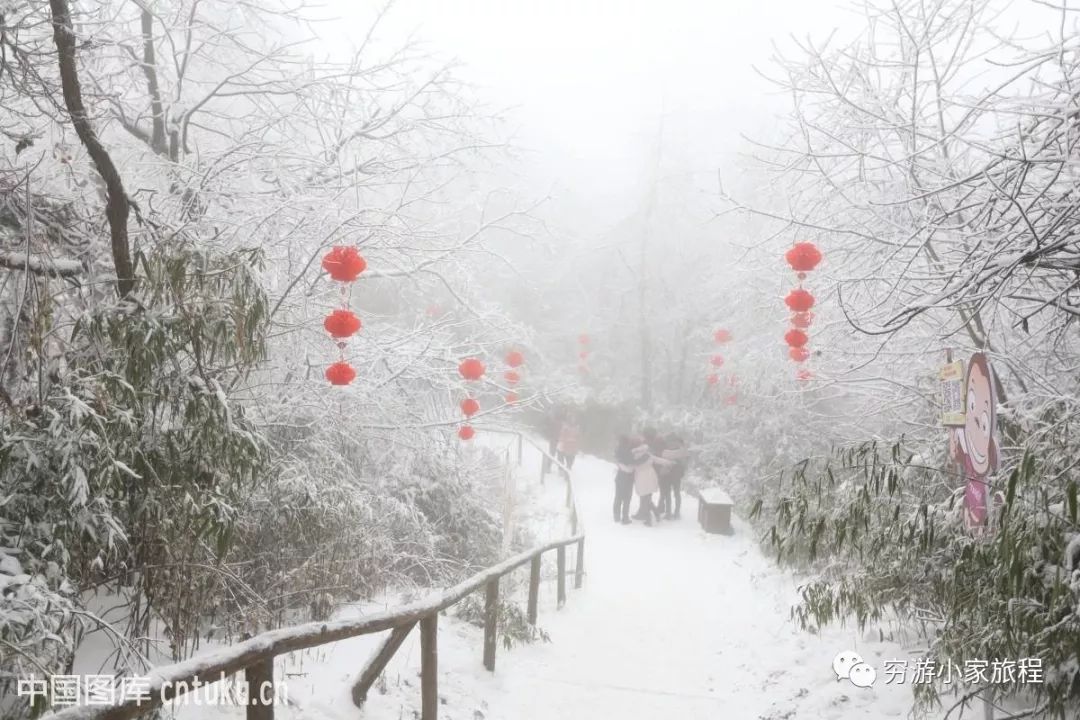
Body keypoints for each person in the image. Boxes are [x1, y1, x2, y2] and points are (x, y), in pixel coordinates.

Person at [632, 436, 674, 526]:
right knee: (646, 498)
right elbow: (657, 460)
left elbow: (631, 466)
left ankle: (649, 520)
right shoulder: (647, 454)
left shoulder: (633, 455)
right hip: (650, 476)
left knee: (645, 498)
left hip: (641, 477)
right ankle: (656, 514)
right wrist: (668, 462)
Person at [662, 433, 690, 519]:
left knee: (669, 494)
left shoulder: (665, 451)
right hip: (676, 475)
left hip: (668, 474)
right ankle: (676, 513)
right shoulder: (681, 451)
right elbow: (686, 461)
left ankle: (669, 513)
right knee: (676, 494)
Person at [613, 434, 638, 524]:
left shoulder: (617, 451)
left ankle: (616, 516)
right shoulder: (629, 451)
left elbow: (618, 462)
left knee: (618, 496)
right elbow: (633, 463)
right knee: (627, 498)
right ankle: (625, 517)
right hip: (628, 478)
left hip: (620, 477)